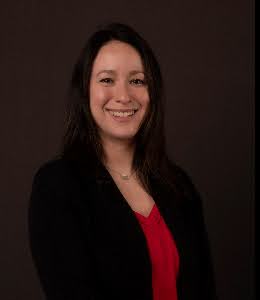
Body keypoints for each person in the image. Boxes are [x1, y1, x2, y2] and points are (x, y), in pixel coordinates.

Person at [28, 23, 217, 300]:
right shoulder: (59, 186)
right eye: (107, 80)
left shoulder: (179, 186)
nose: (124, 96)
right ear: (84, 91)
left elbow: (205, 289)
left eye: (137, 80)